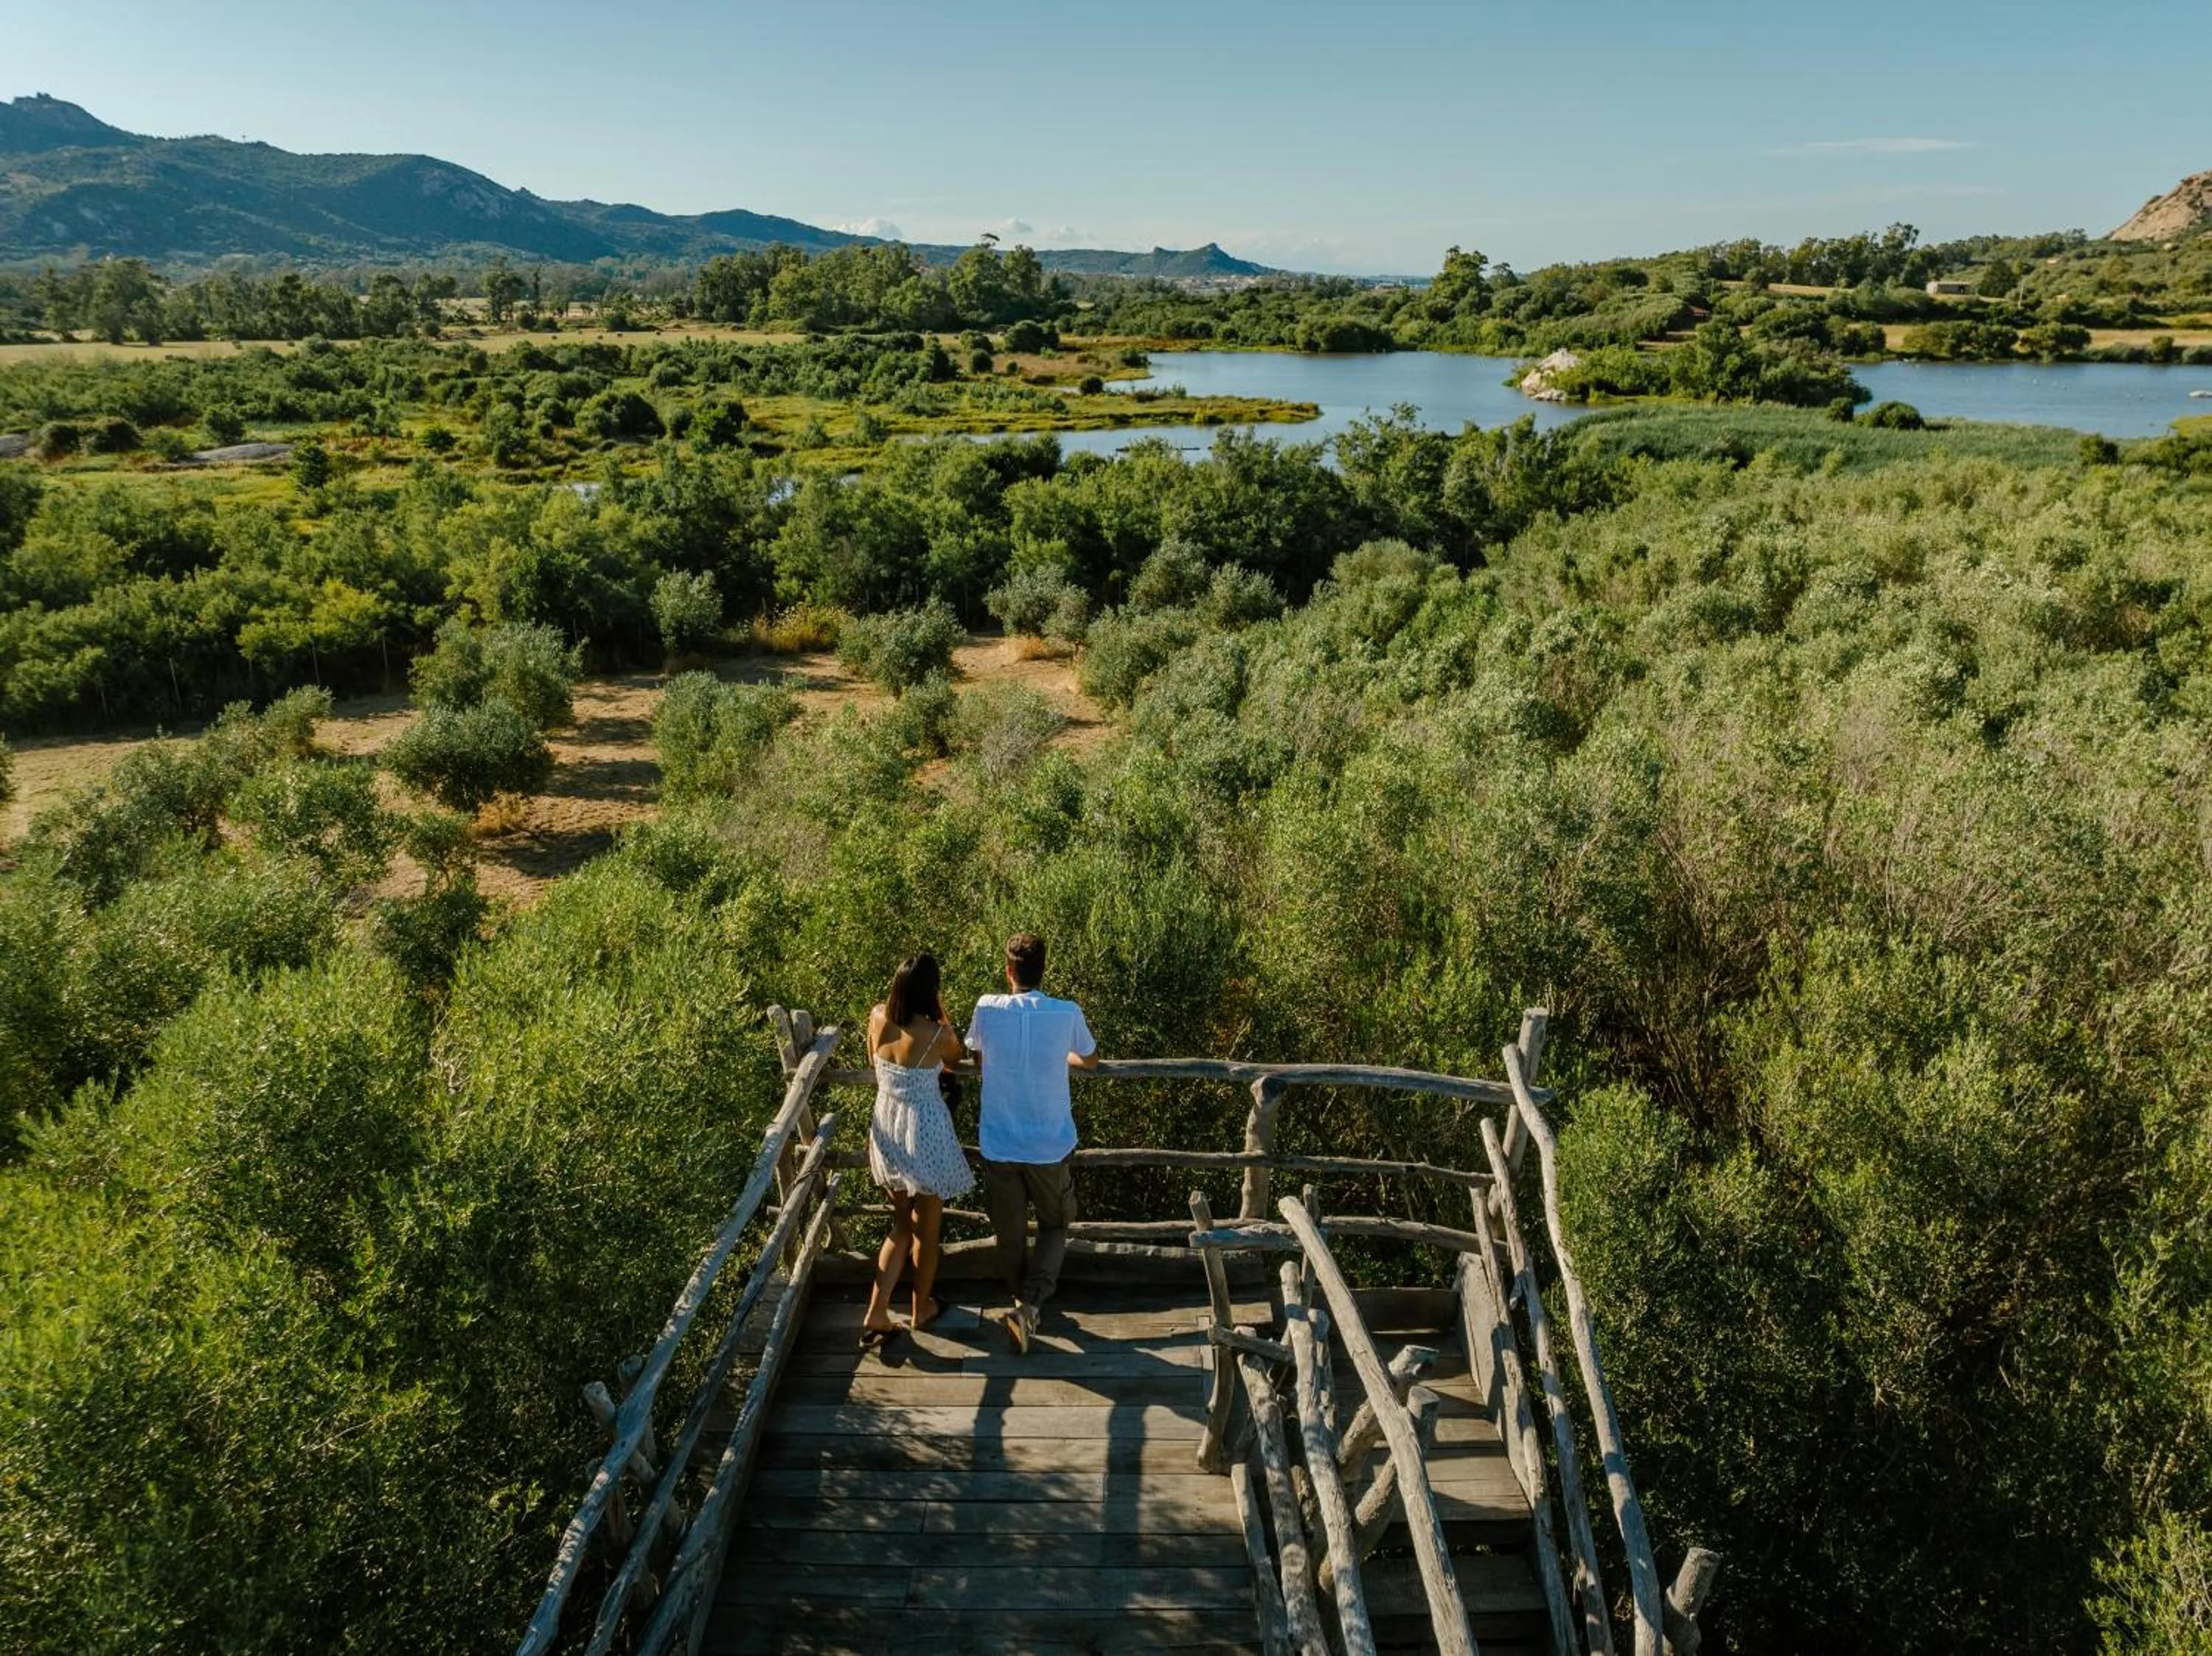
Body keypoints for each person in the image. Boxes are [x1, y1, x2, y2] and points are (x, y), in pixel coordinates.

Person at [965, 932, 1098, 1354]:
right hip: (1048, 1141)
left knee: (1009, 1231)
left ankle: (1020, 1301)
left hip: (1000, 1139)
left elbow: (976, 1056)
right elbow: (1090, 1061)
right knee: (1055, 1222)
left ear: (1008, 972)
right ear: (1044, 970)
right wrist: (1061, 1056)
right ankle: (1033, 1304)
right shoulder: (1066, 1014)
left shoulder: (986, 1008)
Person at [859, 953, 973, 1348]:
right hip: (925, 1132)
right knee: (927, 1230)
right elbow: (957, 1058)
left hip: (887, 1129)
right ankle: (921, 1307)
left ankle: (877, 1310)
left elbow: (871, 1056)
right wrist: (942, 1013)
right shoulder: (936, 1034)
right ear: (931, 992)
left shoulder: (877, 1017)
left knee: (901, 1225)